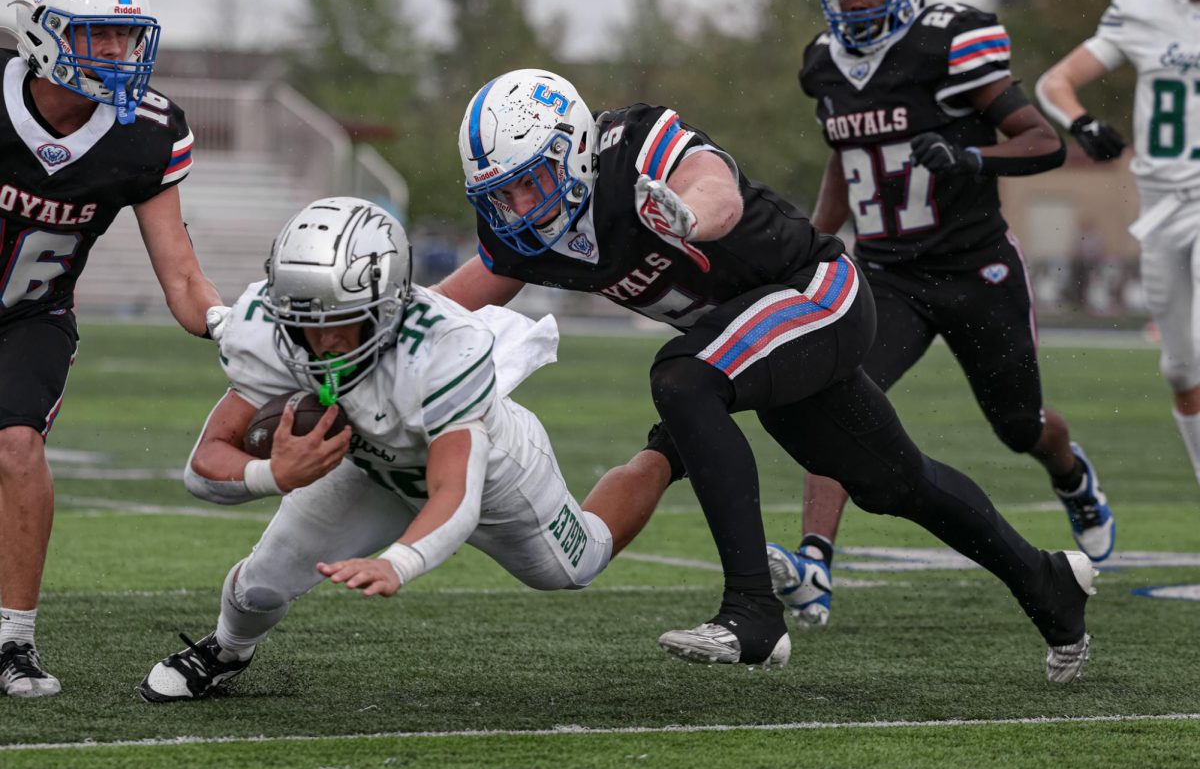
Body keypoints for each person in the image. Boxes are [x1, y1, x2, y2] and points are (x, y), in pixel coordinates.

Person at [437, 67, 1098, 681]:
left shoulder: (631, 145)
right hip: (751, 337)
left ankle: (753, 612)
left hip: (815, 292)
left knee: (683, 377)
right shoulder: (527, 234)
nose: (519, 205)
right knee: (895, 482)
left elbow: (713, 181)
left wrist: (689, 216)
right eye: (501, 192)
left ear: (574, 150)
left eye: (531, 180)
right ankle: (1048, 585)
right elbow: (449, 302)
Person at [138, 197, 679, 702]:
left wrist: (401, 561)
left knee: (575, 566)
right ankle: (227, 650)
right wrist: (273, 474)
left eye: (339, 323)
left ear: (388, 303)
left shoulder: (446, 347)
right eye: (303, 323)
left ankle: (668, 451)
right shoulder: (266, 327)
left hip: (489, 471)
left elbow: (456, 491)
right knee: (260, 584)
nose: (319, 343)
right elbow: (203, 466)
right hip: (367, 462)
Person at [771, 0, 1116, 630]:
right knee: (837, 396)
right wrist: (812, 249)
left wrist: (970, 157)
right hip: (886, 271)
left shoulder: (951, 37)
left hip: (972, 267)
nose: (855, 2)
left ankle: (1071, 477)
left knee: (1020, 427)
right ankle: (815, 559)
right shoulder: (823, 61)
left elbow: (1039, 140)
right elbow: (847, 161)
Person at [0, 0, 227, 699]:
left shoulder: (146, 133)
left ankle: (12, 643)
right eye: (98, 35)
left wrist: (238, 329)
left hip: (29, 316)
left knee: (17, 446)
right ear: (41, 32)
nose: (118, 54)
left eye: (126, 38)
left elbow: (183, 278)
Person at [1037, 0, 1200, 489]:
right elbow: (1055, 82)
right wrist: (1083, 123)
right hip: (1161, 207)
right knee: (1179, 370)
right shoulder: (1144, 8)